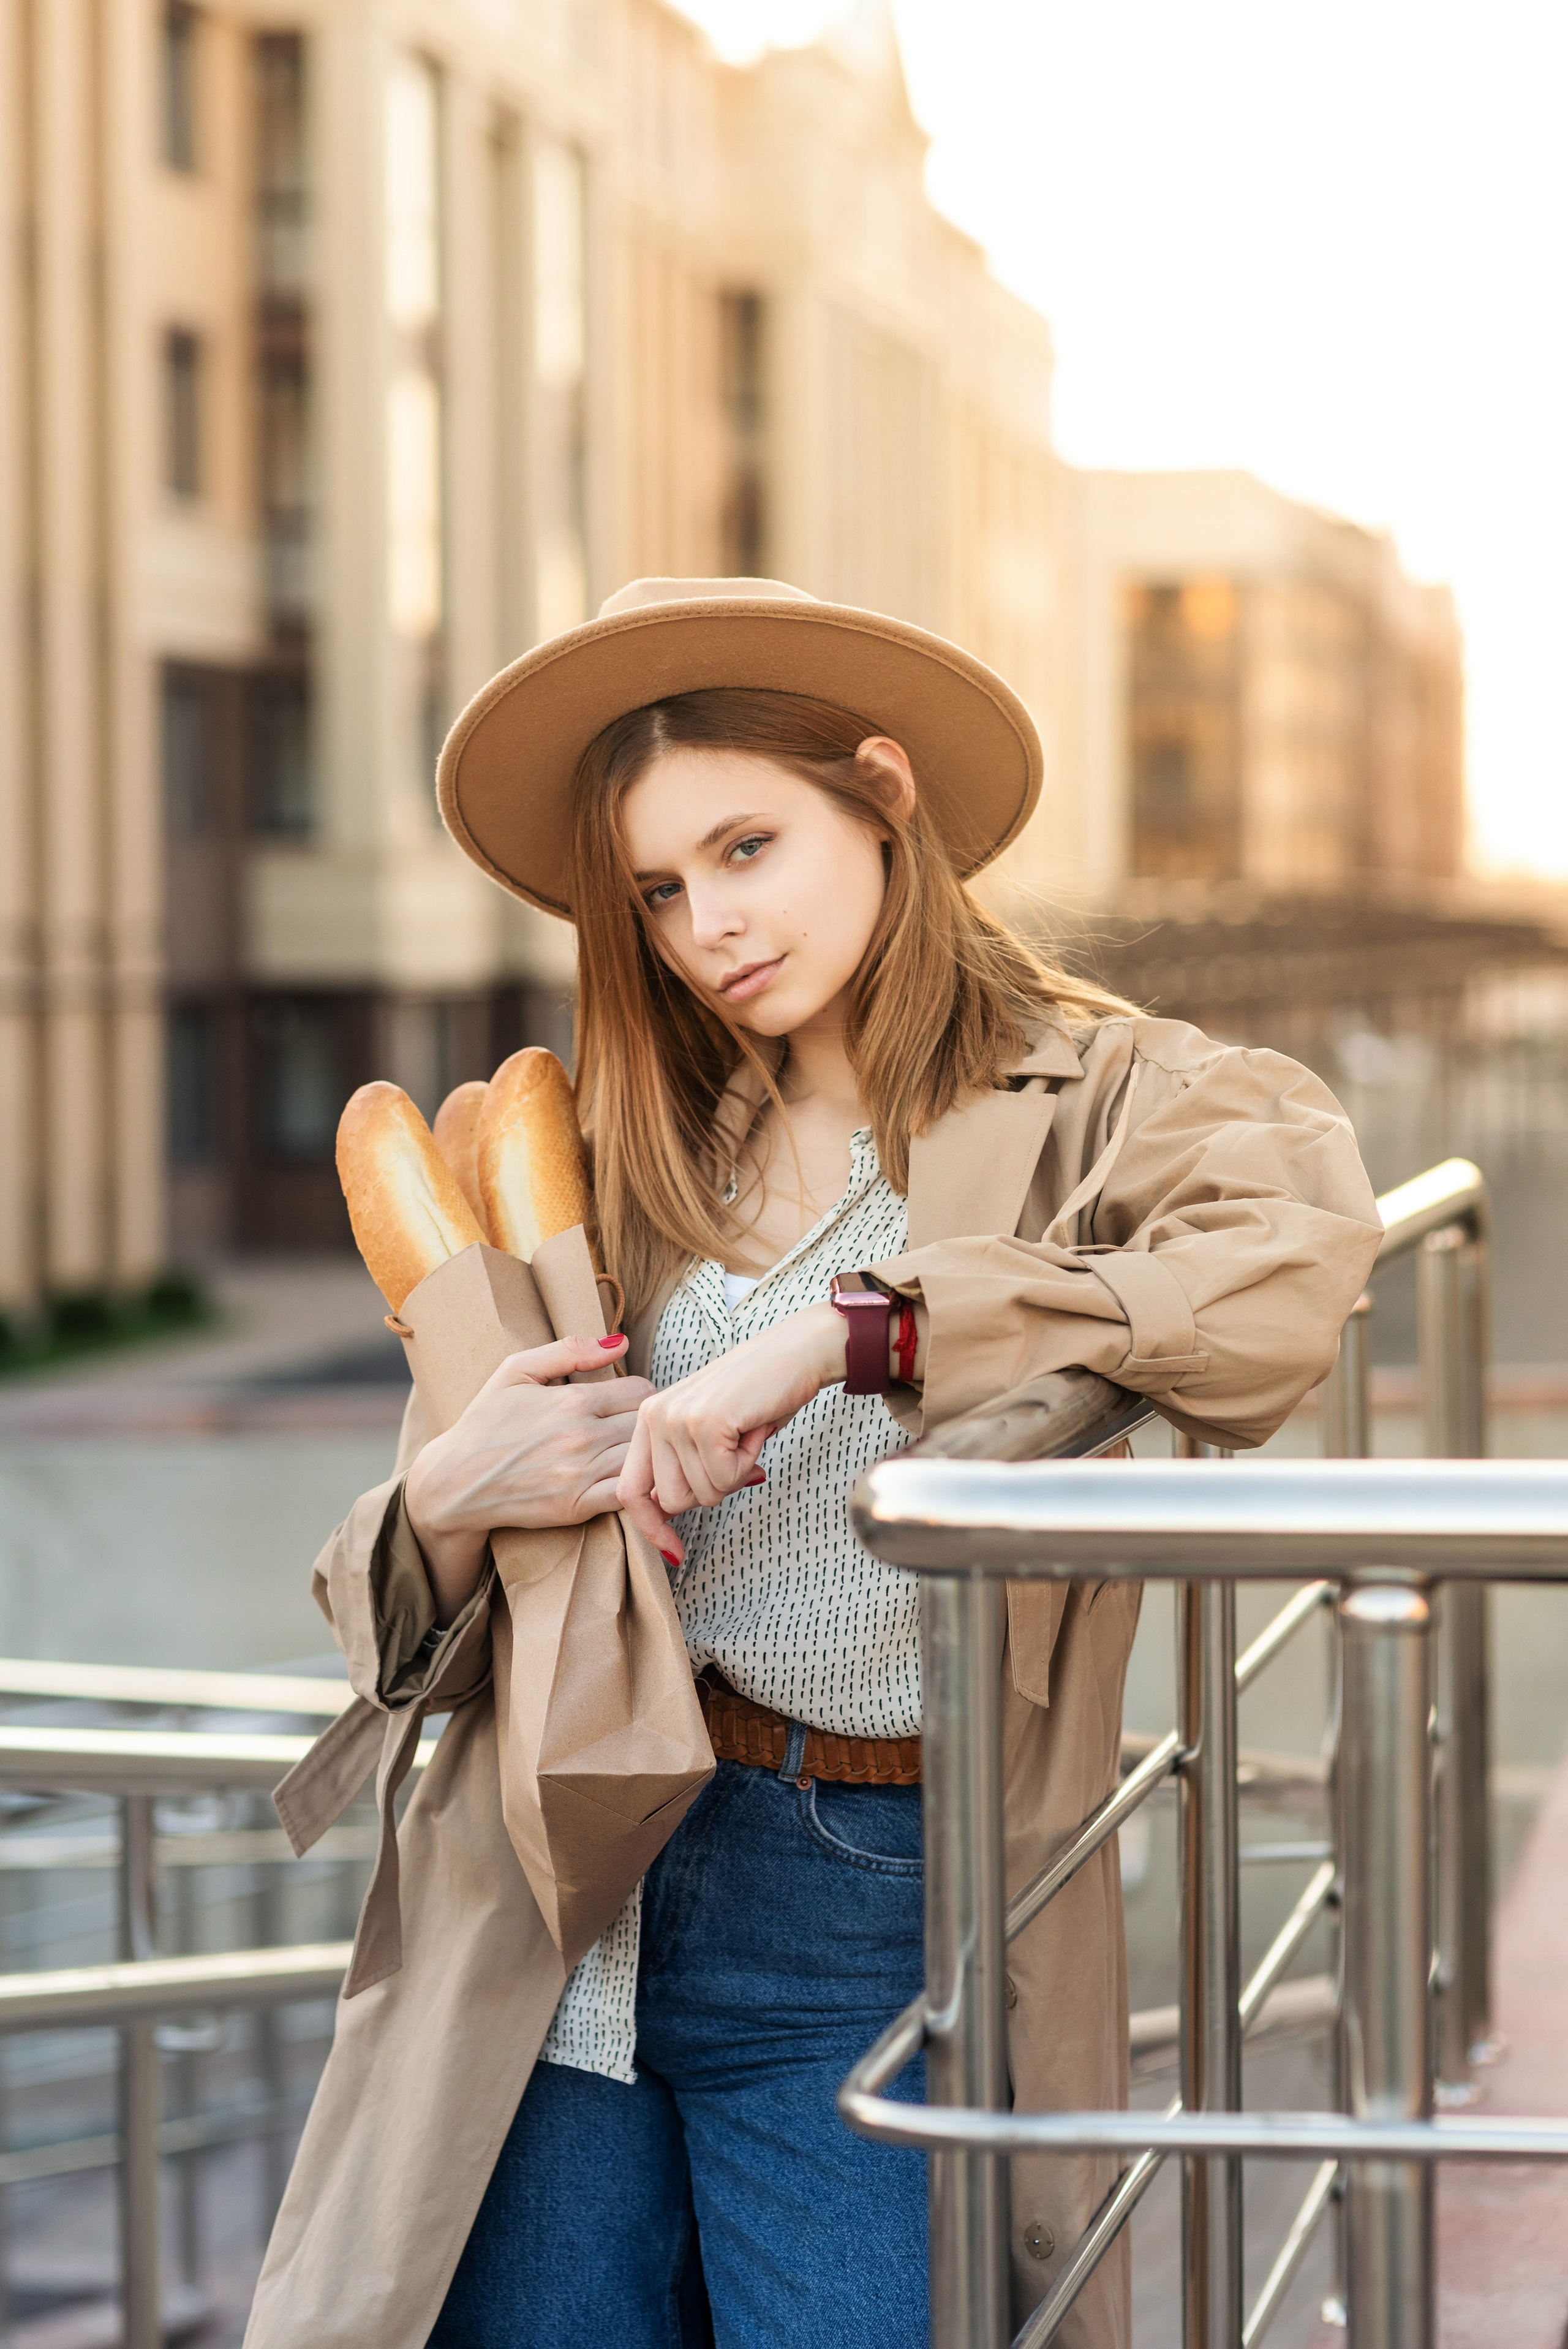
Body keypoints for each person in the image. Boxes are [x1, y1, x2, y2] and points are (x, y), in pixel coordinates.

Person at [244, 578, 1382, 2349]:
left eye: (748, 845)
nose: (709, 923)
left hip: (867, 1888)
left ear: (884, 791)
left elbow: (1292, 1264)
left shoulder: (1099, 1091)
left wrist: (862, 1328)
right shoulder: (612, 1161)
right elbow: (395, 1640)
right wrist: (465, 1480)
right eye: (663, 888)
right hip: (558, 1909)